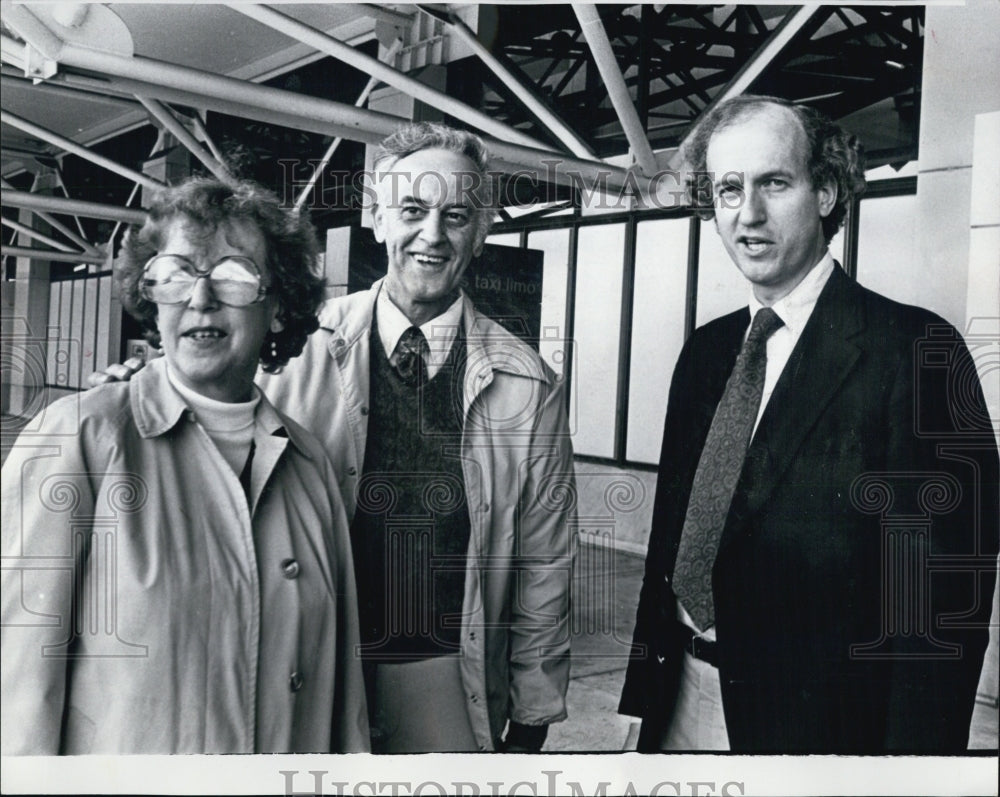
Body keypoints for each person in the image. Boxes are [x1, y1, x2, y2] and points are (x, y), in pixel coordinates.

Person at [618, 95, 999, 753]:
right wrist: (643, 700)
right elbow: (672, 541)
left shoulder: (914, 351)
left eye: (774, 182)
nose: (748, 212)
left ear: (825, 191)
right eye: (729, 189)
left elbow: (942, 611)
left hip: (822, 730)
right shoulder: (706, 354)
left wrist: (911, 774)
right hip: (680, 699)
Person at [1, 177, 369, 754]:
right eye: (176, 276)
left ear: (278, 306)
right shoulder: (82, 439)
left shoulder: (308, 464)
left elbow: (342, 696)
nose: (200, 298)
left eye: (233, 275)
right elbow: (15, 685)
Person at [258, 122, 574, 752]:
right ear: (377, 218)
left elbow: (545, 562)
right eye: (412, 209)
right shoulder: (290, 354)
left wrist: (533, 714)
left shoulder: (528, 385)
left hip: (446, 678)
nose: (433, 234)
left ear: (481, 234)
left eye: (456, 215)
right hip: (314, 669)